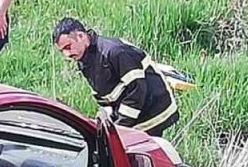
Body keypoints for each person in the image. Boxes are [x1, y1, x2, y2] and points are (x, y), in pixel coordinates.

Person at [51, 17, 182, 138]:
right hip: (135, 111)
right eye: (62, 51)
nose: (66, 55)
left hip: (154, 109)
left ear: (81, 36)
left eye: (68, 47)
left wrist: (120, 127)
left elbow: (137, 91)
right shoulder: (84, 58)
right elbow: (104, 94)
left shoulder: (115, 52)